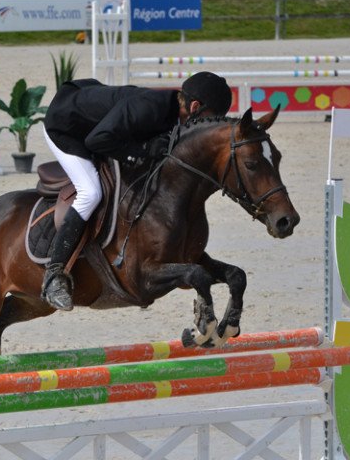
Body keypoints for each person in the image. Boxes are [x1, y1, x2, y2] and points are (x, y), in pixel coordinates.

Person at [41, 71, 233, 311]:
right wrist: (142, 151)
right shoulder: (149, 109)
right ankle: (54, 275)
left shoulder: (175, 115)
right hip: (67, 129)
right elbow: (96, 141)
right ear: (194, 107)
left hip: (99, 126)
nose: (209, 127)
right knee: (91, 192)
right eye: (210, 119)